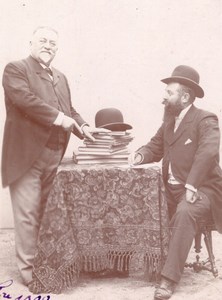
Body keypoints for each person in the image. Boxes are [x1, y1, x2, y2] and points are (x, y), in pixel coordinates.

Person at [1, 26, 107, 286]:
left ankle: (46, 264)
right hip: (27, 157)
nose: (48, 46)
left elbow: (69, 109)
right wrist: (62, 120)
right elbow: (25, 100)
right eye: (43, 41)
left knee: (48, 214)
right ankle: (30, 274)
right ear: (31, 43)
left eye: (53, 43)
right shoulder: (16, 69)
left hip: (54, 156)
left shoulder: (60, 76)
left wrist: (82, 127)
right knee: (28, 216)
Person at [129, 65, 222, 300]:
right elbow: (155, 146)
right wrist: (140, 155)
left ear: (185, 97)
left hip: (202, 189)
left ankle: (169, 279)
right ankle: (134, 264)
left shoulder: (205, 119)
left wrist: (191, 185)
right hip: (171, 189)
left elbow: (208, 153)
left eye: (169, 93)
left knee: (185, 212)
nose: (164, 97)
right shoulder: (169, 122)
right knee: (142, 202)